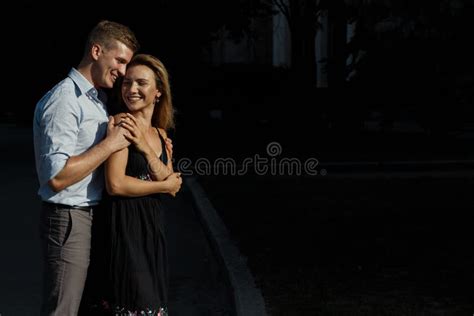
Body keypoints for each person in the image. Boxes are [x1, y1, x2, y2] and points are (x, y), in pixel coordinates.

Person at [33, 20, 140, 316]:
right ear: (96, 51)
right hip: (68, 219)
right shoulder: (65, 100)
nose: (122, 71)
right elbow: (56, 177)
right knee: (62, 311)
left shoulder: (96, 100)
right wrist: (110, 144)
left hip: (88, 216)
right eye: (119, 60)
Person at [104, 54, 182, 316]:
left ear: (159, 91)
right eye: (126, 83)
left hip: (152, 230)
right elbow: (115, 184)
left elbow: (172, 182)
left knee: (154, 307)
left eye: (141, 83)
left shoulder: (161, 134)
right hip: (126, 228)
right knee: (135, 304)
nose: (131, 89)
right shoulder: (120, 123)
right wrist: (161, 186)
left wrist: (145, 149)